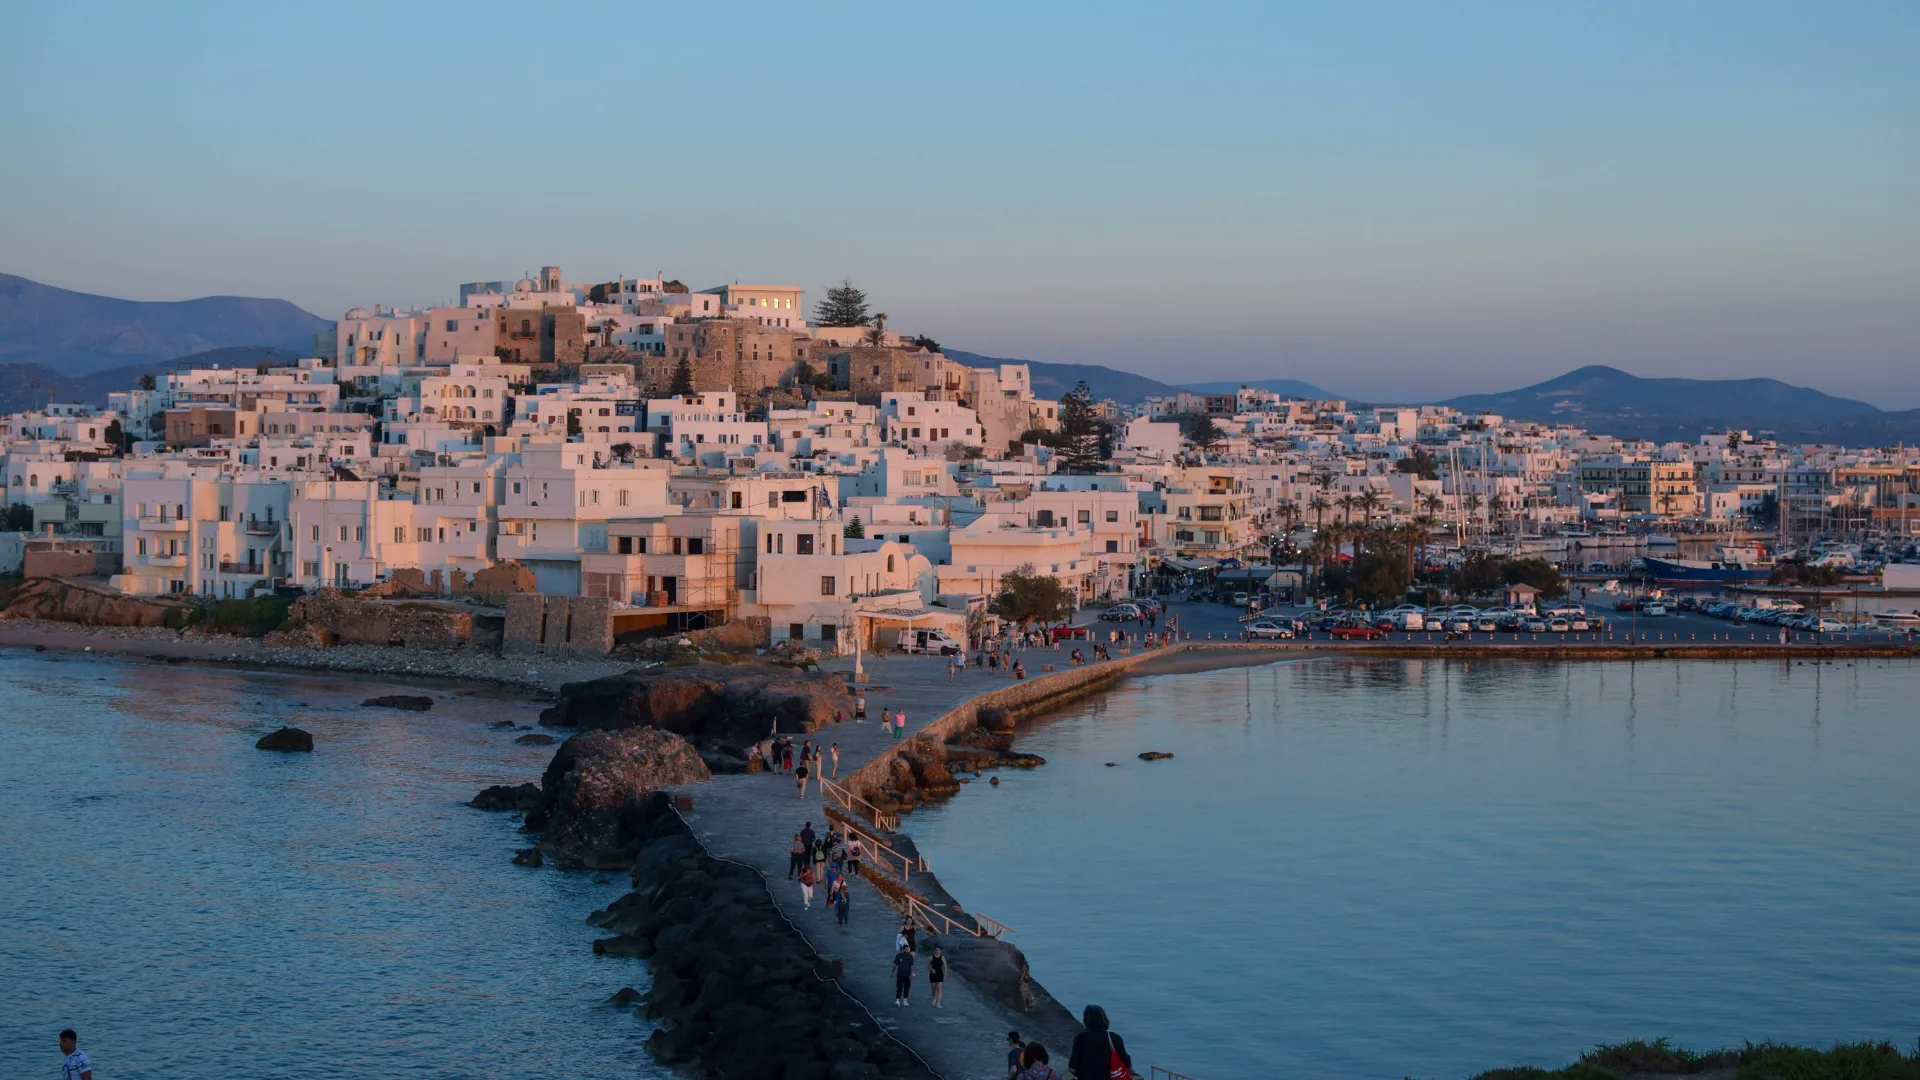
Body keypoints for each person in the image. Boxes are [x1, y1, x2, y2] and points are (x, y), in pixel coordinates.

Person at [1067, 1005, 1132, 1080]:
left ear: (1086, 1021)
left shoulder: (1080, 1039)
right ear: (1105, 1019)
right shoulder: (1115, 1038)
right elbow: (1127, 1065)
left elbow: (1072, 1068)